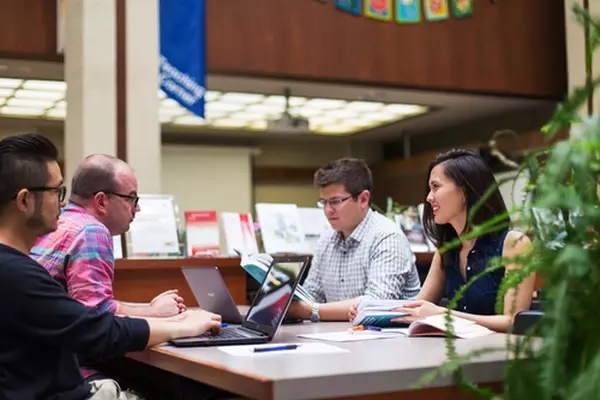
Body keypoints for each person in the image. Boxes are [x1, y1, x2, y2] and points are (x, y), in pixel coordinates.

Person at [0, 132, 222, 400]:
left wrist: (151, 312)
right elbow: (97, 330)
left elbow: (80, 315)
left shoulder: (17, 267)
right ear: (24, 201)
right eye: (56, 192)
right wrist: (183, 325)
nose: (62, 202)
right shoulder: (18, 273)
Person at [349, 149, 536, 332]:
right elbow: (419, 305)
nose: (429, 198)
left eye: (436, 187)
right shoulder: (446, 247)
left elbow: (512, 320)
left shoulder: (515, 244)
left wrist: (443, 315)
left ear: (464, 191)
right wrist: (369, 310)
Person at [288, 158, 421, 322]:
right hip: (340, 335)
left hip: (387, 340)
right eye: (324, 202)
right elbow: (312, 295)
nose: (328, 210)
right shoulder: (326, 238)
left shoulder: (387, 236)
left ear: (363, 199)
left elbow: (375, 305)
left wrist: (311, 310)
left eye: (335, 201)